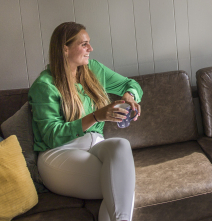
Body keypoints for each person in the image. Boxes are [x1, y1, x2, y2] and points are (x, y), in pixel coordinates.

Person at [29, 22, 142, 221]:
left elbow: (130, 84)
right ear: (65, 49)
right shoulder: (44, 85)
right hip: (59, 152)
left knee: (121, 146)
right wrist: (97, 116)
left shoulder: (94, 69)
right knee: (121, 186)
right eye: (84, 44)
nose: (91, 49)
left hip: (95, 144)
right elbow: (51, 135)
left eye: (89, 43)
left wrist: (130, 96)